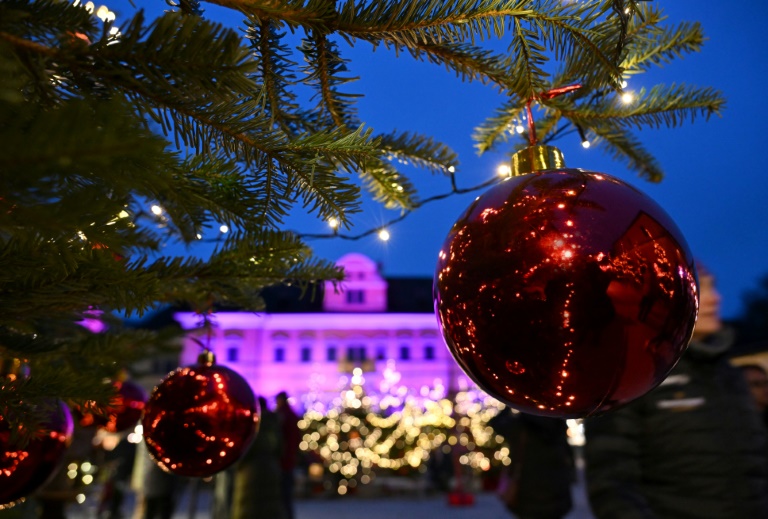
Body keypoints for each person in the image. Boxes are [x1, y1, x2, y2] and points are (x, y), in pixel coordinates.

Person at [584, 266, 768, 518]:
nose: (716, 298)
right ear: (668, 302)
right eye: (701, 289)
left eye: (713, 287)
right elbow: (611, 482)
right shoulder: (635, 376)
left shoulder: (730, 375)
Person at [489, 407, 574, 519]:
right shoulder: (558, 423)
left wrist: (510, 404)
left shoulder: (519, 426)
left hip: (525, 495)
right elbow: (568, 454)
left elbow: (496, 423)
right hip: (556, 494)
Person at [231, 396, 285, 519]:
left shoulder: (249, 424)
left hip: (249, 472)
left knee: (248, 506)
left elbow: (243, 449)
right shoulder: (273, 423)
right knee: (270, 505)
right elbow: (280, 447)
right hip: (271, 469)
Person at [274, 391, 300, 519]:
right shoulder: (291, 415)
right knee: (286, 496)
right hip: (289, 460)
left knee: (282, 496)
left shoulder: (281, 416)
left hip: (282, 461)